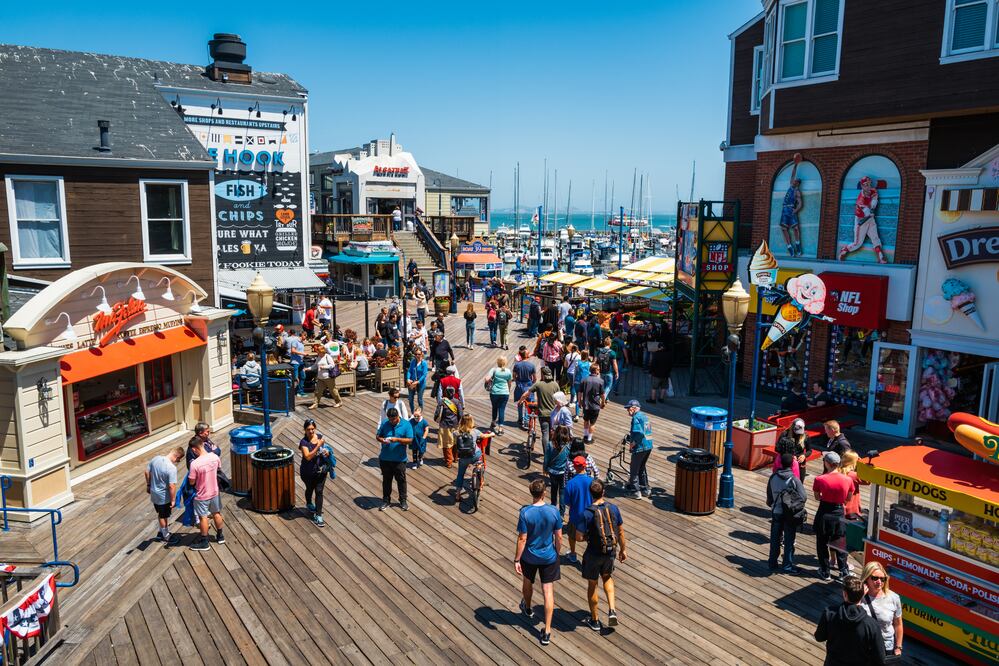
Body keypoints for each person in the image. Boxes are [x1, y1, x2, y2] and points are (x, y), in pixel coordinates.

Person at [515, 478, 563, 647]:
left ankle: (527, 608)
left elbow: (522, 538)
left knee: (527, 582)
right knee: (548, 591)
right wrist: (557, 552)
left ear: (531, 493)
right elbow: (558, 536)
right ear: (544, 493)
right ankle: (547, 630)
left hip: (529, 556)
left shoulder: (525, 513)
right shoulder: (553, 511)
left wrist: (516, 559)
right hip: (549, 556)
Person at [577, 479, 625, 632]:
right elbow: (621, 531)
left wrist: (588, 537)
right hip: (610, 551)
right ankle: (612, 610)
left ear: (590, 494)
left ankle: (595, 620)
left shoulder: (587, 513)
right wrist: (623, 550)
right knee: (607, 577)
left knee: (593, 584)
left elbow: (578, 537)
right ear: (603, 492)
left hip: (593, 553)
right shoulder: (614, 508)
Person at [814, 576, 887, 666]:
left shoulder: (829, 613)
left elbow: (819, 637)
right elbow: (880, 658)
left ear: (844, 594)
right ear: (862, 595)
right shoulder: (871, 624)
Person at [813, 451, 854, 581]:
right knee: (840, 542)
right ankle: (843, 571)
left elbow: (817, 497)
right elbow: (848, 499)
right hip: (838, 512)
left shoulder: (820, 479)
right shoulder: (848, 479)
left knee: (822, 543)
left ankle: (825, 571)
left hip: (824, 511)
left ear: (827, 463)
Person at [766, 452, 807, 573]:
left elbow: (769, 498)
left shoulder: (773, 477)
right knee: (789, 541)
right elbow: (803, 497)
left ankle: (772, 563)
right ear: (792, 464)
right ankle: (787, 565)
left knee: (775, 539)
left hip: (776, 512)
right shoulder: (794, 479)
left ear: (781, 463)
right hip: (790, 514)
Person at [860, 562, 904, 660]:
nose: (879, 582)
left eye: (882, 579)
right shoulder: (859, 597)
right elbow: (849, 617)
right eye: (875, 578)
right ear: (866, 578)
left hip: (886, 647)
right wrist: (859, 598)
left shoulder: (894, 598)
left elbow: (898, 624)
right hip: (863, 646)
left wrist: (898, 647)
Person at [187, 436, 224, 551]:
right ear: (202, 444)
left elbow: (192, 481)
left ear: (194, 449)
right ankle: (220, 536)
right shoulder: (214, 457)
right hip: (215, 491)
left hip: (202, 494)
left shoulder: (195, 464)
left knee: (203, 517)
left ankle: (204, 542)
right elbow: (218, 469)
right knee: (216, 513)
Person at [839, 175, 887, 264]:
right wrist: (870, 210)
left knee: (875, 238)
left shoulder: (873, 191)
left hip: (870, 219)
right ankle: (844, 250)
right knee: (857, 244)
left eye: (869, 184)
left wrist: (871, 208)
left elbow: (874, 202)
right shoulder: (861, 200)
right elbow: (865, 214)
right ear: (862, 186)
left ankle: (881, 257)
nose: (868, 186)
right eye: (865, 184)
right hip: (861, 221)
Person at [376, 407, 412, 511]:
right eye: (390, 419)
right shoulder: (385, 423)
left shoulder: (406, 424)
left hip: (399, 460)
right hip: (385, 459)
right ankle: (386, 501)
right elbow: (378, 436)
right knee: (386, 481)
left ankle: (403, 500)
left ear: (398, 417)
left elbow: (410, 440)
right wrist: (382, 440)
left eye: (393, 419)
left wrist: (397, 439)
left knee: (401, 480)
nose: (391, 422)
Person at [299, 419, 334, 527]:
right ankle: (309, 503)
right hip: (308, 472)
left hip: (321, 470)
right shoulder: (304, 442)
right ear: (304, 430)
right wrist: (318, 446)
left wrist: (327, 452)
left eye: (313, 429)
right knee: (310, 489)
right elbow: (308, 457)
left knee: (319, 491)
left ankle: (318, 516)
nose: (311, 431)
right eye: (308, 429)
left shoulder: (319, 437)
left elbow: (325, 449)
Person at [518, 366, 560, 455]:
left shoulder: (539, 384)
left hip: (543, 414)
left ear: (543, 375)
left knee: (545, 433)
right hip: (554, 414)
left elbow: (527, 393)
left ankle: (546, 454)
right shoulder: (555, 385)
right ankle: (553, 452)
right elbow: (560, 398)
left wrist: (520, 401)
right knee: (553, 434)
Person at [146, 446, 183, 542]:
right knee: (163, 516)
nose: (176, 462)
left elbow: (146, 472)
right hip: (163, 496)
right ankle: (166, 536)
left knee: (160, 513)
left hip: (154, 493)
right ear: (177, 456)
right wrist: (173, 500)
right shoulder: (171, 468)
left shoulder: (156, 459)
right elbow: (172, 486)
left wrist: (149, 485)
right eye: (178, 460)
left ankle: (161, 531)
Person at [562, 456, 593, 564]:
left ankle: (573, 554)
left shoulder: (570, 483)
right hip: (590, 515)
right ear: (585, 466)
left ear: (574, 467)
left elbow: (567, 502)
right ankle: (590, 555)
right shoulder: (592, 481)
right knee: (591, 538)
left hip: (575, 515)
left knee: (571, 536)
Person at [624, 400, 653, 499]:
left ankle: (635, 491)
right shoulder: (644, 416)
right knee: (642, 467)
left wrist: (632, 444)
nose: (628, 411)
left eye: (629, 409)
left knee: (634, 469)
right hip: (648, 446)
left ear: (634, 408)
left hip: (640, 447)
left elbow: (639, 433)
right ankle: (645, 489)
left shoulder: (636, 417)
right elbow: (647, 431)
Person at [453, 414, 484, 501]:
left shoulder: (456, 432)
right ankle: (479, 469)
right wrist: (492, 434)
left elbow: (454, 439)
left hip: (463, 457)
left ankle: (458, 495)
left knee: (460, 474)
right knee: (480, 457)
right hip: (474, 455)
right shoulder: (475, 432)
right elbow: (484, 436)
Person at [779, 153, 804, 257]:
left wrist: (796, 210)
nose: (794, 181)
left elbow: (800, 203)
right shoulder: (790, 186)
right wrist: (795, 164)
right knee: (784, 229)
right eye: (794, 180)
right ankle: (790, 247)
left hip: (791, 209)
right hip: (785, 209)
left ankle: (797, 245)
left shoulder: (797, 191)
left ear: (798, 183)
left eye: (796, 181)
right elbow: (793, 174)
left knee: (796, 229)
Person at [435, 386, 463, 468]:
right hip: (455, 425)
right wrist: (457, 422)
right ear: (454, 393)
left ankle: (448, 462)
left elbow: (437, 414)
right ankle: (455, 458)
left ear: (446, 393)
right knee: (455, 442)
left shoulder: (442, 401)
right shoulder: (457, 402)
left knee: (446, 444)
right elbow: (460, 414)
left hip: (445, 425)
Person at [545, 425, 571, 514]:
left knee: (553, 490)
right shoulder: (568, 446)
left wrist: (545, 468)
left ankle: (553, 508)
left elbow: (546, 458)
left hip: (552, 471)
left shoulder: (550, 444)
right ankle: (562, 513)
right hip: (563, 472)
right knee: (562, 492)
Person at [579, 362, 605, 443]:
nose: (599, 371)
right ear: (596, 370)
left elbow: (580, 392)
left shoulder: (584, 380)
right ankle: (589, 439)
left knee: (586, 421)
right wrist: (603, 403)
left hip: (586, 405)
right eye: (599, 370)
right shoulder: (600, 381)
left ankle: (585, 435)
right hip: (595, 406)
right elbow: (602, 395)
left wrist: (579, 402)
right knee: (592, 423)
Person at [486, 356, 513, 435]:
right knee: (502, 409)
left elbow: (486, 379)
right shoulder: (508, 371)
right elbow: (509, 382)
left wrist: (490, 380)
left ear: (498, 362)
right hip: (505, 393)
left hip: (494, 392)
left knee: (494, 407)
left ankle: (493, 422)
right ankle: (500, 428)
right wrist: (508, 390)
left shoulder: (494, 370)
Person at [310, 345, 343, 409]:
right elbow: (315, 366)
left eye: (318, 351)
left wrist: (324, 367)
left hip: (328, 377)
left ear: (322, 351)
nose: (317, 353)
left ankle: (339, 402)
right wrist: (308, 368)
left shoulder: (327, 356)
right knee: (317, 391)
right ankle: (315, 404)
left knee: (333, 391)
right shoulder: (318, 357)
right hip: (320, 378)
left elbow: (332, 365)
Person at [838, 450, 868, 520]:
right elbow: (868, 481)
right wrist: (862, 466)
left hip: (839, 506)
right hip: (851, 508)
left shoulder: (838, 471)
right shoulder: (853, 475)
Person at [513, 349, 537, 429]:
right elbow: (535, 378)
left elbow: (514, 376)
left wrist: (517, 381)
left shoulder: (517, 365)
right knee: (529, 404)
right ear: (526, 355)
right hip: (528, 386)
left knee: (520, 403)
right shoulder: (532, 365)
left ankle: (520, 419)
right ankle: (526, 421)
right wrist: (532, 384)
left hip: (520, 385)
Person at [406, 348, 429, 413]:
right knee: (410, 399)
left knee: (420, 399)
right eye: (415, 354)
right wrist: (408, 378)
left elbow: (424, 374)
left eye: (418, 354)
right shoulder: (413, 361)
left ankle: (419, 413)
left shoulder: (424, 363)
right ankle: (413, 413)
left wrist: (418, 381)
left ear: (421, 354)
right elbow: (409, 371)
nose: (417, 355)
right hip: (412, 382)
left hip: (420, 383)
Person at [286, 328, 307, 396]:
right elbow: (293, 350)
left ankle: (300, 391)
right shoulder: (295, 341)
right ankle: (293, 392)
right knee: (296, 378)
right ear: (302, 335)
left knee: (303, 376)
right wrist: (303, 353)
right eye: (305, 336)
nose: (306, 337)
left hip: (300, 362)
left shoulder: (301, 342)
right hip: (295, 362)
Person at [596, 337, 618, 401]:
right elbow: (614, 364)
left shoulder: (599, 350)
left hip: (601, 371)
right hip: (609, 372)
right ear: (610, 344)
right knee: (608, 386)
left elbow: (596, 361)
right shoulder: (612, 353)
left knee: (603, 385)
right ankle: (603, 398)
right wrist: (617, 372)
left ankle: (606, 398)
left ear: (604, 343)